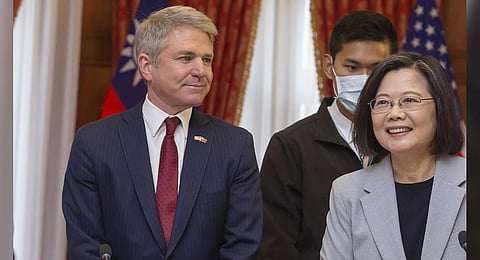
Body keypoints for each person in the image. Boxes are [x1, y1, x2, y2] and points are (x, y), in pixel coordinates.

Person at [62, 6, 262, 260]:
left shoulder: (235, 145)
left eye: (207, 59)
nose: (201, 71)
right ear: (147, 66)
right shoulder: (94, 142)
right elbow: (85, 245)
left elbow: (243, 247)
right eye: (186, 58)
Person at [259, 10, 398, 259]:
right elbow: (275, 245)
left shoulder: (404, 141)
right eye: (352, 67)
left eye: (376, 68)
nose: (364, 80)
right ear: (328, 66)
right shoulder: (290, 146)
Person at [320, 52, 466, 259]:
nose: (394, 113)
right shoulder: (347, 192)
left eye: (409, 100)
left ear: (439, 107)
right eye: (382, 103)